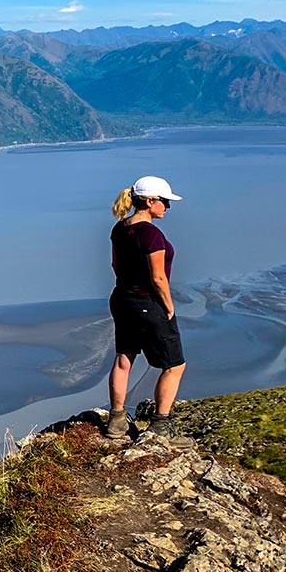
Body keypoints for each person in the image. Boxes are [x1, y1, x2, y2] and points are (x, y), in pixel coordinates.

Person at [105, 175, 194, 448]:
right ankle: (160, 426)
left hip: (122, 299)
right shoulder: (152, 234)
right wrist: (168, 305)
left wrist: (129, 290)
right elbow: (158, 279)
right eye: (165, 201)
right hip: (149, 303)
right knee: (175, 365)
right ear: (150, 201)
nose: (167, 206)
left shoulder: (120, 228)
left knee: (124, 359)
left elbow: (115, 266)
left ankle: (117, 420)